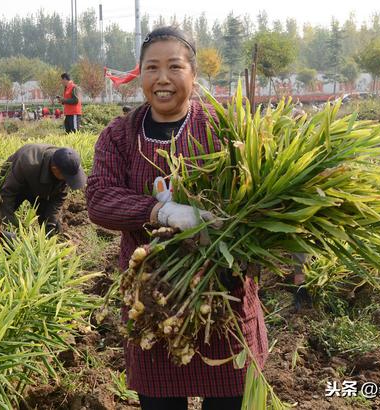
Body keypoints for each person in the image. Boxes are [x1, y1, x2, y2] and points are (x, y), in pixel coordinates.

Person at [86, 27, 269, 410]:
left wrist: (227, 230)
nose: (163, 78)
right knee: (160, 400)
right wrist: (161, 211)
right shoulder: (119, 135)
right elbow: (100, 199)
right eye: (152, 68)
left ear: (193, 73)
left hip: (224, 299)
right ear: (140, 75)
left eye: (174, 67)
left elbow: (263, 197)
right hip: (152, 303)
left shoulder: (226, 129)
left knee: (230, 397)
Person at [0, 144, 87, 235]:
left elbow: (58, 199)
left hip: (42, 184)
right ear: (55, 170)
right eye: (66, 178)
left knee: (54, 228)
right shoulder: (27, 163)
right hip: (15, 183)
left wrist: (51, 223)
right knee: (3, 220)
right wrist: (12, 227)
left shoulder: (68, 165)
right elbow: (7, 196)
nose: (67, 181)